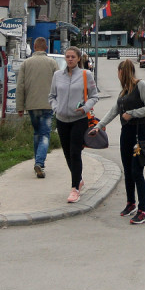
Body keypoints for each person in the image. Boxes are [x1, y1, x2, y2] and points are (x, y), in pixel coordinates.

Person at [90, 59, 145, 225]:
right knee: (127, 169)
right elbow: (114, 111)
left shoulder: (141, 86)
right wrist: (98, 126)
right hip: (126, 133)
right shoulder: (124, 91)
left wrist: (132, 113)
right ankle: (130, 203)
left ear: (123, 72)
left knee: (136, 171)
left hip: (139, 133)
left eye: (118, 72)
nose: (117, 75)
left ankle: (143, 210)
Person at [49, 46, 99, 203]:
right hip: (62, 120)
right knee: (67, 153)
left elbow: (94, 96)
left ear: (78, 59)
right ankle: (79, 179)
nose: (70, 59)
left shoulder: (86, 74)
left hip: (79, 119)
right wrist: (56, 108)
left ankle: (75, 189)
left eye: (73, 57)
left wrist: (84, 108)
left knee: (75, 153)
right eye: (67, 56)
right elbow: (52, 96)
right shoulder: (57, 75)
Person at [15, 36, 59, 178]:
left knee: (37, 134)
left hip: (32, 105)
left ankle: (37, 161)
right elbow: (60, 84)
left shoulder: (25, 64)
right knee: (45, 134)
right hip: (48, 105)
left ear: (34, 47)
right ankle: (40, 162)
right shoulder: (53, 63)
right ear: (46, 47)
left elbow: (20, 86)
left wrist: (20, 107)